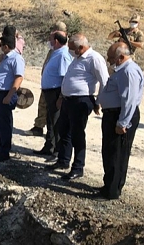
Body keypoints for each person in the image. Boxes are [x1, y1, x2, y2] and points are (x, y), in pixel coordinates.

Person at [46, 34, 109, 180]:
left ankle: (78, 167)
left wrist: (99, 102)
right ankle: (63, 160)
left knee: (77, 134)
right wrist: (62, 96)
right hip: (68, 100)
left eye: (72, 48)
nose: (70, 51)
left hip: (82, 101)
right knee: (64, 130)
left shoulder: (94, 58)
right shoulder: (77, 58)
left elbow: (104, 81)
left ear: (81, 47)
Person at [97, 42, 143, 199]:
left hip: (120, 116)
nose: (109, 60)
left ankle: (112, 191)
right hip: (113, 114)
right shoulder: (120, 70)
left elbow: (129, 100)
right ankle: (109, 184)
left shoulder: (129, 72)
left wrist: (122, 123)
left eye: (111, 57)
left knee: (117, 154)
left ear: (121, 57)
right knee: (109, 152)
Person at [33, 31, 73, 161]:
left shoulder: (63, 55)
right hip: (49, 92)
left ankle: (57, 152)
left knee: (57, 123)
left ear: (56, 41)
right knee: (50, 121)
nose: (49, 41)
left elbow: (65, 78)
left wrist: (61, 97)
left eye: (50, 39)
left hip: (56, 93)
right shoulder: (55, 53)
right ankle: (49, 146)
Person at [0, 26, 25, 162]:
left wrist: (9, 96)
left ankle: (4, 152)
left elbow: (18, 78)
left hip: (6, 94)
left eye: (2, 45)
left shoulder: (16, 58)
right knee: (0, 123)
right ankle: (1, 147)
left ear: (6, 46)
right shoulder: (5, 57)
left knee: (5, 124)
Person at [26, 21, 68, 137]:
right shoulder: (54, 50)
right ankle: (40, 127)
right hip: (48, 86)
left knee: (52, 114)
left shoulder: (63, 51)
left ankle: (50, 137)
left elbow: (64, 75)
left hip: (55, 88)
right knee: (43, 106)